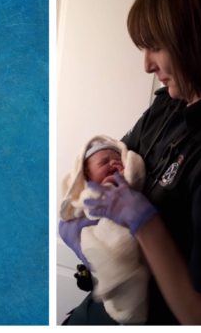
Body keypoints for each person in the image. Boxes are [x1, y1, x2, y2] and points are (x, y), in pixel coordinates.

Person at [60, 0, 201, 325]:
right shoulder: (167, 107)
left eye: (155, 46)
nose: (147, 65)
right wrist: (83, 222)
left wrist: (146, 224)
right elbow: (109, 166)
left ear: (198, 38)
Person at [60, 136, 149, 324]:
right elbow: (79, 210)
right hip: (98, 246)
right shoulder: (88, 192)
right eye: (104, 161)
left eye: (118, 159)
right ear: (86, 174)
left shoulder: (125, 187)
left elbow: (134, 191)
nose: (114, 163)